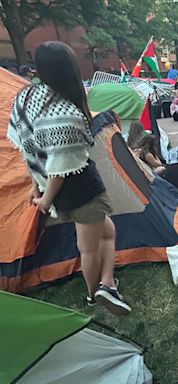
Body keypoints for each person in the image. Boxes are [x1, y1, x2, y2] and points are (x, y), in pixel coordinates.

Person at [7, 41, 131, 315]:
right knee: (88, 247)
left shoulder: (26, 97)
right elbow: (61, 166)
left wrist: (36, 186)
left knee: (106, 232)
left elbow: (29, 146)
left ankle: (106, 283)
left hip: (59, 192)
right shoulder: (66, 113)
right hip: (80, 188)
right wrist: (45, 196)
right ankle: (96, 293)